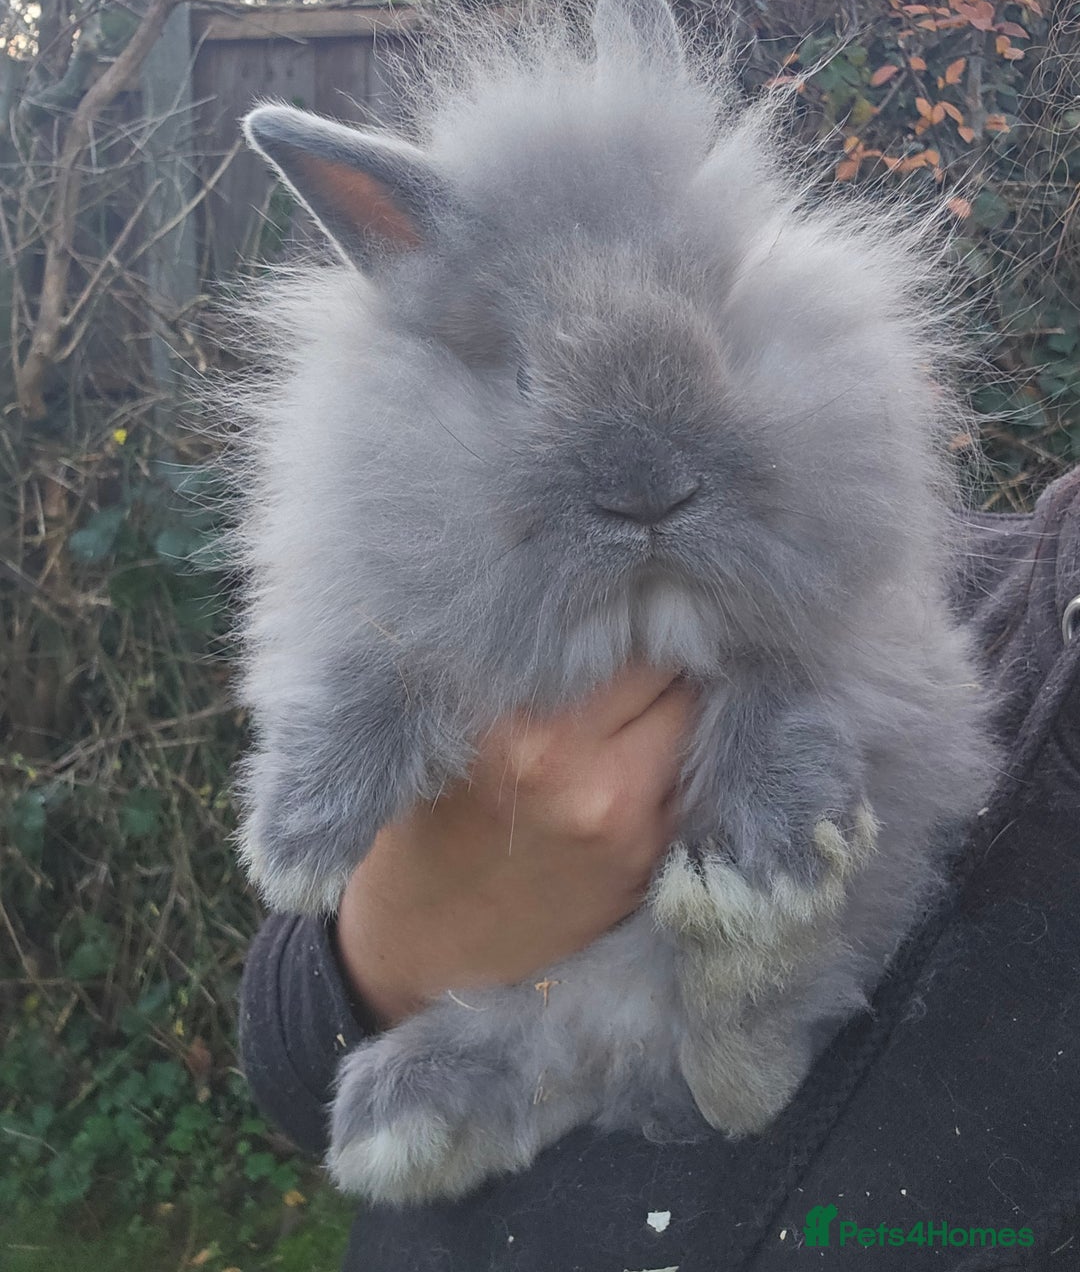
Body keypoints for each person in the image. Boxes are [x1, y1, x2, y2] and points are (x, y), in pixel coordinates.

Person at [238, 466, 1080, 1271]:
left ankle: (625, 1038)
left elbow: (880, 705)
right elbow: (299, 1067)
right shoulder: (987, 581)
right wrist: (399, 936)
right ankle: (516, 1063)